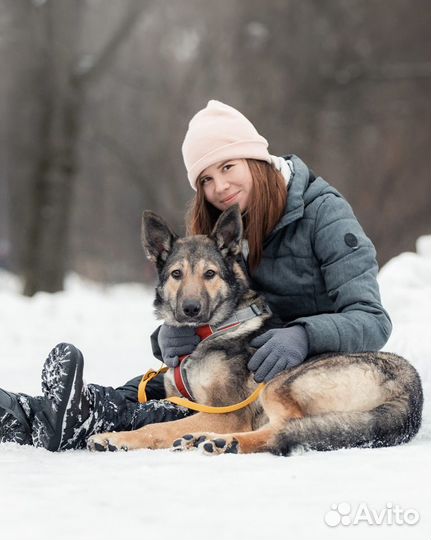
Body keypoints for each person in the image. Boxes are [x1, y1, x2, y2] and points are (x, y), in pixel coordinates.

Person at [0, 100, 391, 450]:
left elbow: (372, 320)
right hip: (243, 357)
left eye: (227, 167)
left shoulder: (324, 214)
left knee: (191, 403)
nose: (219, 187)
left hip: (309, 365)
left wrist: (304, 335)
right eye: (205, 179)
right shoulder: (221, 227)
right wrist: (170, 334)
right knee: (152, 387)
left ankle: (75, 419)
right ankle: (43, 413)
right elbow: (202, 297)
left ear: (254, 158)